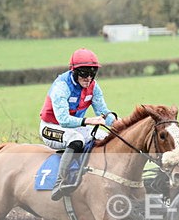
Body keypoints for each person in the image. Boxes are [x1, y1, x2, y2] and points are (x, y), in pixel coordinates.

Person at [39, 48, 119, 201]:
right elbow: (63, 120)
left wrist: (121, 125)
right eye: (84, 73)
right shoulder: (61, 87)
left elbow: (103, 112)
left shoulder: (94, 86)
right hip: (51, 127)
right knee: (76, 140)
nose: (88, 78)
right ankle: (60, 182)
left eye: (92, 73)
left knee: (108, 138)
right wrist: (88, 120)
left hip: (75, 127)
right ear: (74, 71)